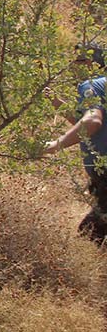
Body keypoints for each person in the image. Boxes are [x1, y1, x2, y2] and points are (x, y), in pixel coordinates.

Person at [41, 42, 107, 243]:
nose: (72, 66)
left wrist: (56, 144)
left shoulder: (91, 85)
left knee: (90, 235)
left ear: (90, 63)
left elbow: (92, 122)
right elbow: (84, 121)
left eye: (77, 61)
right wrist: (56, 102)